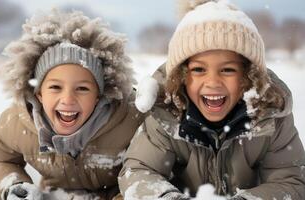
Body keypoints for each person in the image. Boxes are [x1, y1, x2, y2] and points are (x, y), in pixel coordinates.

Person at [118, 0, 305, 199]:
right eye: (199, 69)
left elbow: (291, 181)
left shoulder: (270, 116)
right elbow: (138, 171)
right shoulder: (166, 113)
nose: (213, 82)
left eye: (227, 70)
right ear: (181, 76)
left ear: (248, 76)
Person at [0, 9, 144, 200]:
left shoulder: (130, 119)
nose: (68, 99)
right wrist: (12, 185)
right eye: (55, 87)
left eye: (82, 89)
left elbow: (152, 166)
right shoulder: (18, 122)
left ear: (99, 96)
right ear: (39, 94)